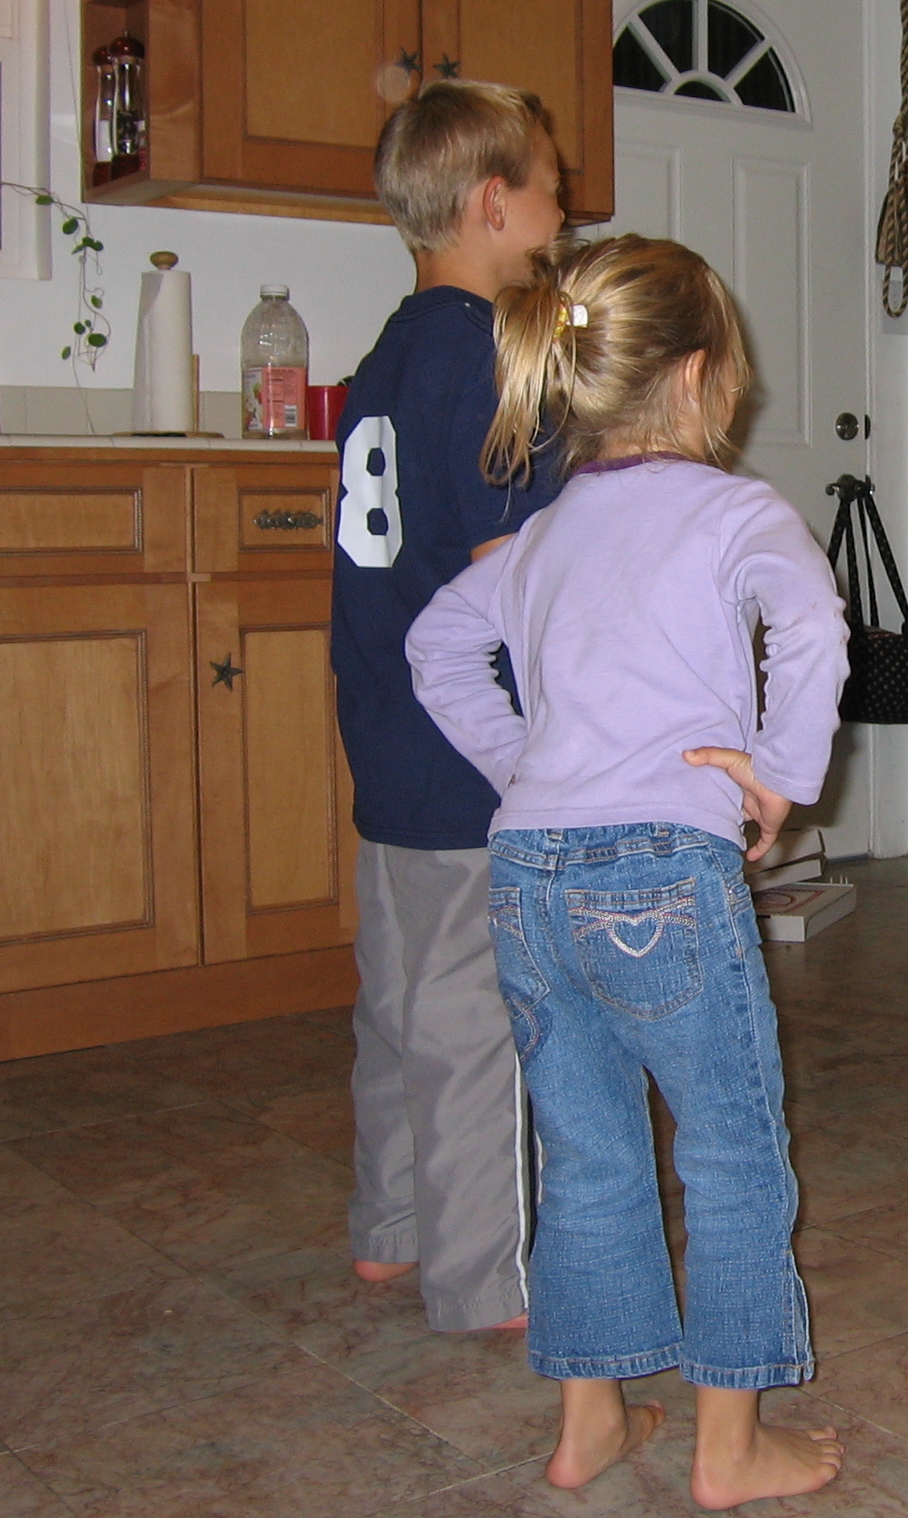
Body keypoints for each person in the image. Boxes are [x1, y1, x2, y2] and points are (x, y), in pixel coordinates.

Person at [406, 234, 849, 1506]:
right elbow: (813, 624)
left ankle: (589, 1422)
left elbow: (437, 650)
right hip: (665, 875)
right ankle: (730, 1447)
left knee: (588, 1152)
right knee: (730, 1149)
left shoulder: (541, 536)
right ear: (698, 377)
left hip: (529, 881)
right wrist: (781, 772)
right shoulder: (737, 513)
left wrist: (526, 766)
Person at [330, 78, 568, 1332]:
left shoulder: (387, 353)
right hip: (471, 751)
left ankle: (393, 1229)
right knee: (479, 1016)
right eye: (550, 190)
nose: (563, 212)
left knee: (402, 998)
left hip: (385, 736)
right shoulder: (486, 358)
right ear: (492, 204)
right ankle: (487, 1277)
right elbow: (504, 574)